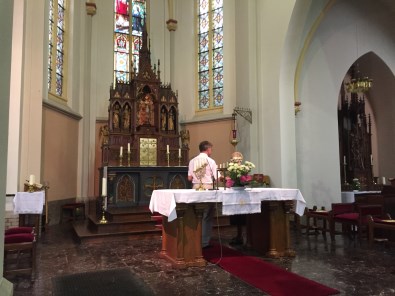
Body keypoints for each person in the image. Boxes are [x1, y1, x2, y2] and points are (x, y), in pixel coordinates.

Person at [188, 141, 218, 248]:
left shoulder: (192, 161)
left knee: (196, 214)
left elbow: (189, 178)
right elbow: (217, 177)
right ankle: (204, 242)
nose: (211, 151)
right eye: (211, 149)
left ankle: (194, 238)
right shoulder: (210, 161)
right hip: (207, 188)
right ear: (208, 149)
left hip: (196, 188)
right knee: (207, 215)